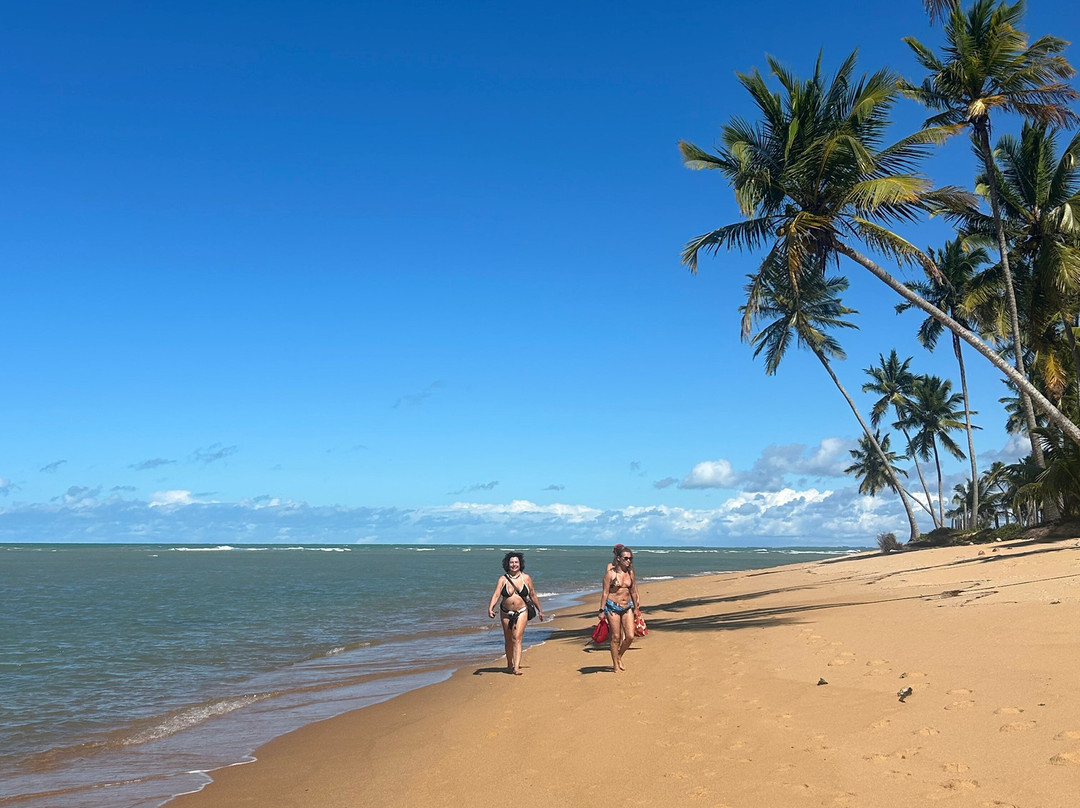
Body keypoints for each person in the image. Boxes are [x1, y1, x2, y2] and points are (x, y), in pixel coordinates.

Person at [488, 551, 543, 675]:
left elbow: (533, 594)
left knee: (517, 638)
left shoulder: (526, 578)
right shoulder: (502, 579)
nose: (514, 565)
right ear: (507, 564)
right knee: (508, 640)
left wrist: (540, 610)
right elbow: (497, 594)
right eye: (511, 562)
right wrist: (490, 608)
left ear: (520, 564)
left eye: (516, 562)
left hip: (522, 611)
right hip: (505, 612)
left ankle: (516, 667)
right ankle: (509, 663)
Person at [598, 544, 641, 672]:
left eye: (630, 558)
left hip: (627, 607)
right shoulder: (610, 574)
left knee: (630, 636)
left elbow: (633, 591)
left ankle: (619, 656)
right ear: (618, 559)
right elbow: (605, 593)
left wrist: (636, 607)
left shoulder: (631, 573)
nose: (628, 561)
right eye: (626, 558)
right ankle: (615, 665)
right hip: (612, 607)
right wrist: (601, 610)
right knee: (616, 637)